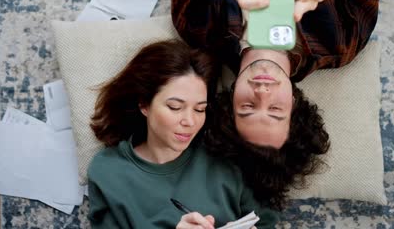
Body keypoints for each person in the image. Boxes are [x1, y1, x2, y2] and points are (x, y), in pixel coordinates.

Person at [171, 0, 384, 209]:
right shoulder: (341, 41)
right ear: (294, 104)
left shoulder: (197, 25)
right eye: (275, 110)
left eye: (247, 107)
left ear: (230, 102)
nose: (262, 92)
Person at [87, 40, 278, 229]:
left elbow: (266, 223)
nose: (190, 121)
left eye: (199, 109)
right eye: (175, 107)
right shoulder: (108, 172)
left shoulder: (226, 154)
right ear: (144, 104)